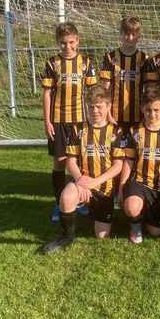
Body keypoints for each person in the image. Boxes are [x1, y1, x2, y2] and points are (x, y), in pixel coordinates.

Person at [39, 86, 126, 254]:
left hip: (103, 188)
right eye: (91, 106)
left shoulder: (116, 131)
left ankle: (100, 214)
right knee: (67, 196)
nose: (95, 110)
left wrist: (94, 182)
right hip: (83, 181)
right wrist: (80, 181)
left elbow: (118, 166)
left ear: (108, 107)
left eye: (99, 106)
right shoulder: (77, 129)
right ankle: (67, 236)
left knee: (101, 236)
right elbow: (71, 161)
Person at [41, 22, 97, 223]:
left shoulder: (86, 63)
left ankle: (80, 201)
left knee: (81, 163)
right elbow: (47, 94)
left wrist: (93, 120)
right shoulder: (52, 63)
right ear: (58, 43)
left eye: (71, 42)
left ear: (78, 41)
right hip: (58, 121)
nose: (68, 47)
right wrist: (47, 121)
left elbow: (92, 94)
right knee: (60, 162)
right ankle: (59, 203)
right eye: (63, 43)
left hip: (81, 121)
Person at [120, 91, 160, 244]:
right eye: (148, 110)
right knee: (131, 207)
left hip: (158, 187)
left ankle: (144, 212)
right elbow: (129, 161)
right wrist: (122, 186)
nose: (152, 114)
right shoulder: (134, 131)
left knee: (155, 232)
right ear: (142, 109)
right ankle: (135, 228)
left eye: (156, 110)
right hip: (139, 182)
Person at [99, 16, 150, 132]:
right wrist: (107, 114)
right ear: (120, 34)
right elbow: (104, 89)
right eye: (126, 34)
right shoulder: (109, 58)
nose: (130, 38)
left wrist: (146, 115)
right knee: (115, 150)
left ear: (139, 36)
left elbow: (148, 90)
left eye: (133, 34)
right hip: (114, 116)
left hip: (138, 116)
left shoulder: (144, 59)